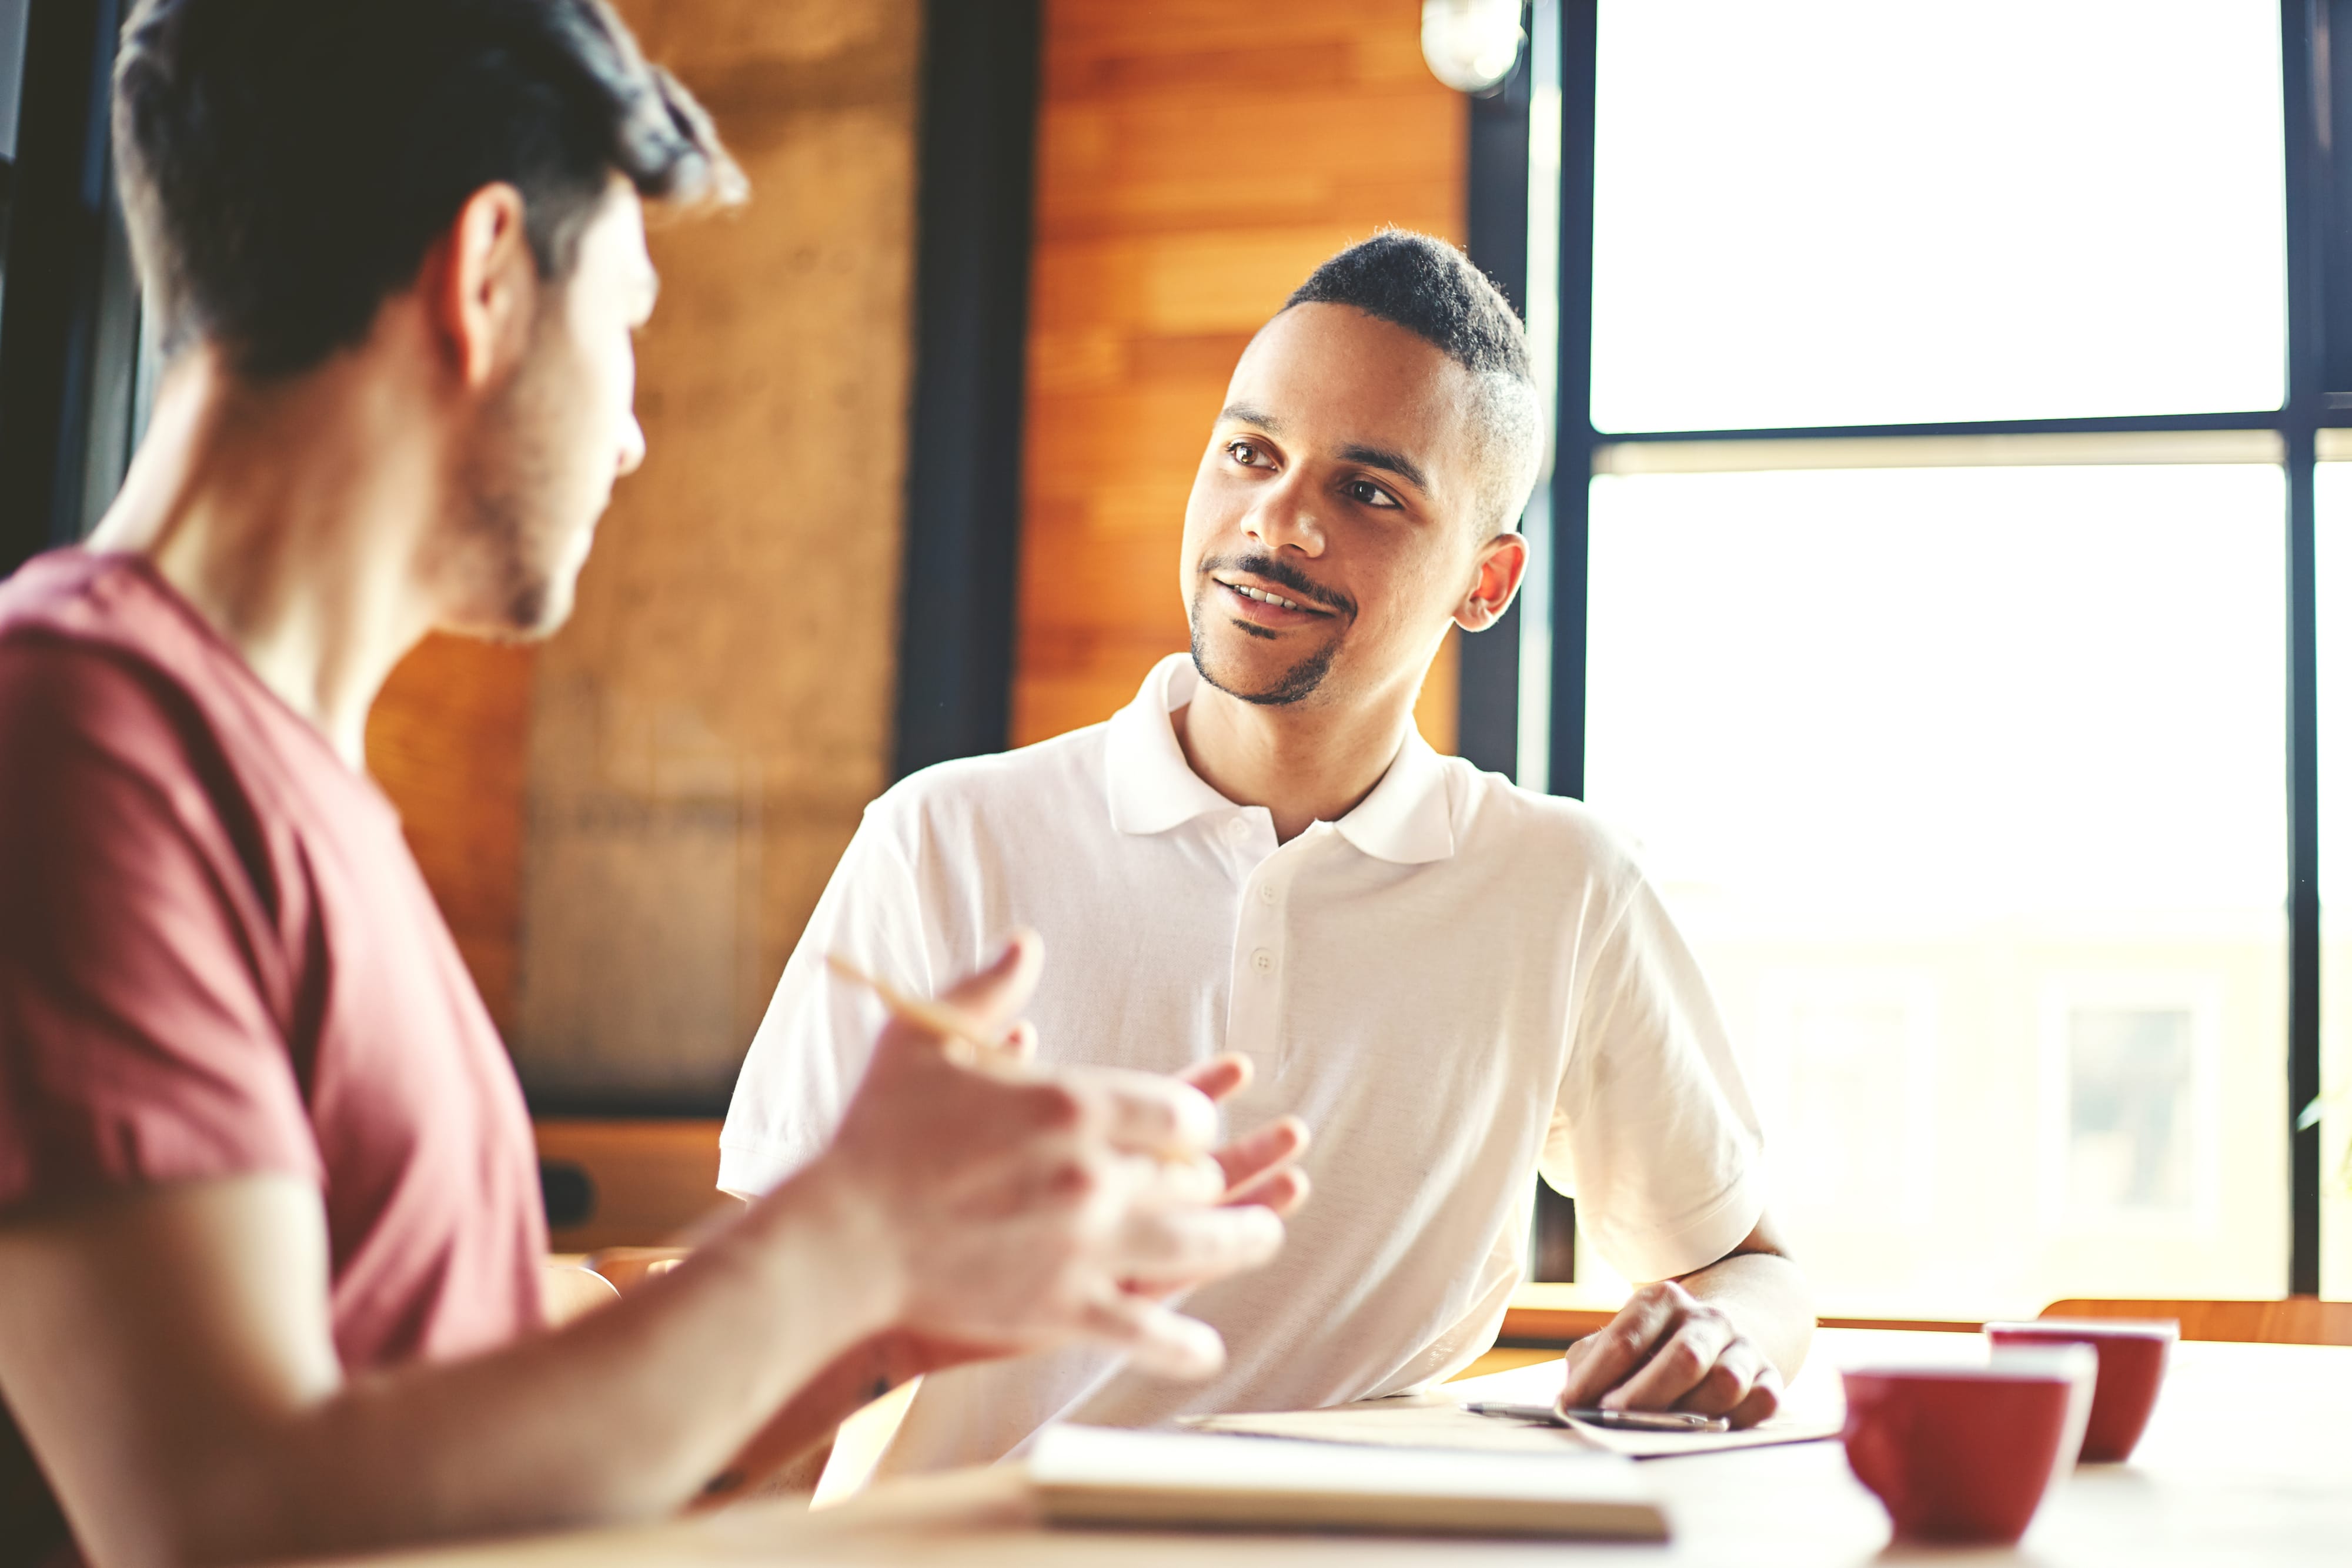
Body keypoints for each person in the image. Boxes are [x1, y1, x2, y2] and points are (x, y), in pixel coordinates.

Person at [0, 4, 1307, 1565]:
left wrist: (884, 1305)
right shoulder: (77, 736)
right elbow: (222, 1519)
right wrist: (838, 1238)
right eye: (625, 319)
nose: (628, 435)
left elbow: (480, 1446)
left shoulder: (267, 776)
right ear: (486, 276)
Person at [723, 230, 1816, 1476]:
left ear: (1487, 580)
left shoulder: (1565, 884)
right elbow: (758, 1333)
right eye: (1250, 453)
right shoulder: (942, 838)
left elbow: (1750, 1266)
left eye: (1369, 493)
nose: (1279, 521)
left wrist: (1720, 1332)